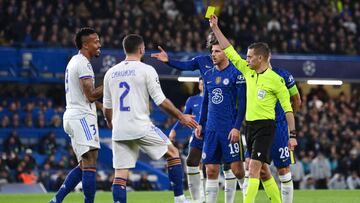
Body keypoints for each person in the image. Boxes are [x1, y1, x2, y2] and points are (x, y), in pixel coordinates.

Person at [209, 15, 297, 203]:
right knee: (263, 171)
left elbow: (288, 110)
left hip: (266, 127)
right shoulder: (247, 71)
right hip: (249, 127)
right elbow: (228, 49)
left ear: (260, 58)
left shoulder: (276, 80)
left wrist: (293, 135)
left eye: (249, 56)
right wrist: (216, 28)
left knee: (253, 168)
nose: (246, 59)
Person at [103, 34, 198, 203]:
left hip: (119, 128)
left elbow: (107, 108)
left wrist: (111, 123)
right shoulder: (146, 70)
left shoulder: (110, 73)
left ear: (125, 50)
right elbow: (161, 101)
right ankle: (179, 199)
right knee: (173, 153)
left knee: (120, 174)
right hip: (140, 126)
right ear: (141, 50)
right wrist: (181, 116)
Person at [152, 32, 243, 203]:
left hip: (226, 121)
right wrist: (168, 60)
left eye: (216, 44)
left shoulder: (234, 67)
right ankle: (197, 199)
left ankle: (230, 200)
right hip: (206, 123)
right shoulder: (202, 61)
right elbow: (184, 65)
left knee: (229, 166)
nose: (213, 48)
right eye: (211, 44)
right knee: (194, 161)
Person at [50, 27, 103, 203]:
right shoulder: (82, 63)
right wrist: (111, 82)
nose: (99, 44)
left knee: (84, 164)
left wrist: (101, 107)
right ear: (85, 44)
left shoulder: (76, 61)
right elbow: (90, 94)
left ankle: (56, 200)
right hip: (81, 117)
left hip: (76, 115)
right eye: (95, 41)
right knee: (90, 162)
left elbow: (84, 96)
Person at [195, 37, 246, 203]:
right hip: (211, 129)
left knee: (237, 170)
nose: (213, 54)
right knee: (210, 170)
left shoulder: (236, 74)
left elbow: (243, 104)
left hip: (229, 129)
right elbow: (205, 102)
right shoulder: (208, 74)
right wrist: (200, 124)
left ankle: (247, 197)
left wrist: (237, 127)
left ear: (226, 53)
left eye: (217, 51)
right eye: (212, 52)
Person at [243, 59, 301, 203]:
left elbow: (296, 100)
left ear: (264, 57)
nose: (248, 59)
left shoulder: (283, 76)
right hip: (258, 127)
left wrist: (286, 121)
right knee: (255, 167)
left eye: (252, 56)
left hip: (279, 128)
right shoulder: (251, 74)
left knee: (283, 169)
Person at [169, 78, 206, 202]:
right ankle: (199, 195)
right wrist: (174, 129)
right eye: (202, 83)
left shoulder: (216, 98)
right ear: (199, 86)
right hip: (197, 136)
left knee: (213, 165)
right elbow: (185, 117)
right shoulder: (192, 100)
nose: (204, 85)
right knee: (194, 163)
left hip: (213, 135)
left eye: (206, 83)